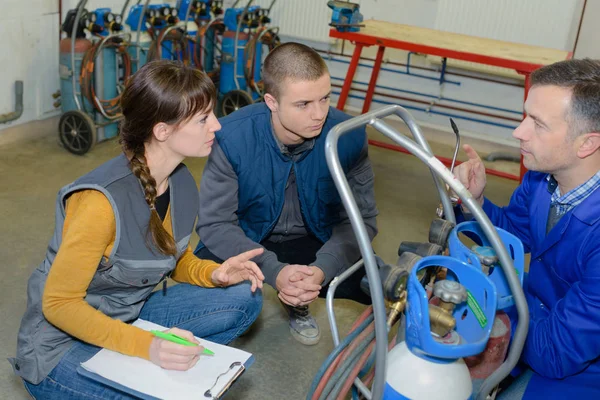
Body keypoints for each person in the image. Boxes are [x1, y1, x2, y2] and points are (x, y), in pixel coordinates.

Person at [9, 60, 265, 399]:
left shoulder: (181, 181)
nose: (216, 126)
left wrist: (216, 274)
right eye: (203, 119)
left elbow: (173, 258)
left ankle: (154, 367)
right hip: (61, 344)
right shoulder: (98, 202)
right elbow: (58, 304)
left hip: (129, 312)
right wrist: (147, 347)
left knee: (244, 296)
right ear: (162, 131)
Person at [194, 42, 378, 345]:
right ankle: (289, 288)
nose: (319, 114)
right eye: (304, 104)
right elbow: (215, 225)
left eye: (325, 98)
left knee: (386, 284)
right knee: (206, 290)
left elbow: (362, 220)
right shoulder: (231, 137)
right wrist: (275, 271)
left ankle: (299, 294)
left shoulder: (348, 135)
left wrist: (321, 270)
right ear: (272, 101)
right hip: (247, 238)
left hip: (315, 240)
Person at [453, 58, 600, 399]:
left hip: (579, 364)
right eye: (525, 116)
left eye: (538, 124)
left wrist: (494, 303)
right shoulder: (542, 178)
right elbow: (513, 236)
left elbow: (556, 352)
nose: (519, 132)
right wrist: (472, 202)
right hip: (536, 319)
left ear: (587, 144)